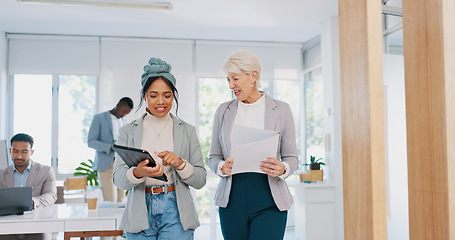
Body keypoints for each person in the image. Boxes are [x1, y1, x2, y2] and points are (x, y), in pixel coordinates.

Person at [208, 50, 299, 240]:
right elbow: (213, 156)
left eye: (235, 78)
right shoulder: (223, 111)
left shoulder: (281, 110)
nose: (231, 85)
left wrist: (283, 167)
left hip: (269, 200)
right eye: (228, 80)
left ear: (253, 76)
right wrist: (221, 166)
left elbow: (292, 157)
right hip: (232, 201)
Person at [113, 57, 206, 240]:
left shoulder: (187, 131)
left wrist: (179, 163)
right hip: (140, 211)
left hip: (176, 210)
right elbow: (118, 179)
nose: (161, 101)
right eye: (153, 95)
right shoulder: (127, 131)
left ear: (174, 95)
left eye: (167, 95)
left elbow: (200, 179)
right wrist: (138, 172)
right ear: (145, 96)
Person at [0, 133, 57, 240]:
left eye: (24, 152)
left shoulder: (46, 171)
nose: (19, 156)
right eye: (15, 151)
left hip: (37, 227)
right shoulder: (1, 175)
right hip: (8, 229)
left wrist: (34, 201)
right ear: (10, 151)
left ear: (31, 152)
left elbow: (51, 195)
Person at [88, 97, 133, 202]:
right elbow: (91, 141)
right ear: (118, 105)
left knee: (121, 200)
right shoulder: (99, 118)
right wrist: (110, 147)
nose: (124, 115)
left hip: (122, 165)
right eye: (123, 111)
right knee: (110, 200)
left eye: (127, 113)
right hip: (106, 165)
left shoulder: (126, 122)